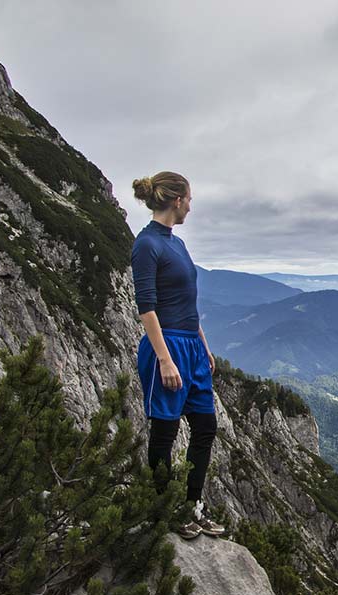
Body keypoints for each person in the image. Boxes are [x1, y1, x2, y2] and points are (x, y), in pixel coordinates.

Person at [130, 171, 226, 541]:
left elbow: (188, 302)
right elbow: (146, 307)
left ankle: (192, 506)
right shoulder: (147, 245)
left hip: (190, 344)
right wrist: (166, 359)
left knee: (205, 427)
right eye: (189, 198)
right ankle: (163, 511)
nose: (191, 205)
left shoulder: (178, 244)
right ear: (176, 200)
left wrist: (202, 344)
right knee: (165, 431)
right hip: (166, 347)